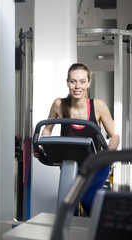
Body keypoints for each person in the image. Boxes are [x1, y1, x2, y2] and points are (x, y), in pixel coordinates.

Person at [34, 63, 120, 216]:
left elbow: (114, 135)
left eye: (82, 81)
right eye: (73, 81)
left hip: (95, 167)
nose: (77, 86)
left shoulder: (98, 106)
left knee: (87, 200)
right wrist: (42, 147)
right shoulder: (59, 104)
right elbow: (46, 130)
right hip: (70, 166)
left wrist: (108, 155)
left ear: (88, 83)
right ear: (67, 82)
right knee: (68, 207)